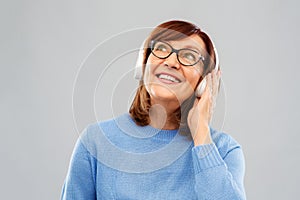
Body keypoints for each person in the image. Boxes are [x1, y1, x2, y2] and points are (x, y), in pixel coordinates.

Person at [61, 20, 246, 199]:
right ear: (143, 64)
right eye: (161, 48)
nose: (171, 62)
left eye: (189, 56)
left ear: (205, 82)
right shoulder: (95, 141)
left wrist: (202, 136)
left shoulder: (225, 150)